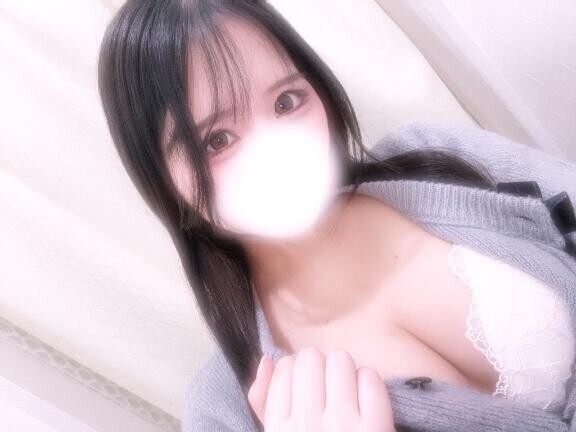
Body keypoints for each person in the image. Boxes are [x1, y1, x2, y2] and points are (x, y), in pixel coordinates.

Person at [97, 1, 576, 431]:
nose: (277, 154)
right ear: (160, 178)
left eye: (286, 101)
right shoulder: (221, 412)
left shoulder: (435, 156)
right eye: (216, 140)